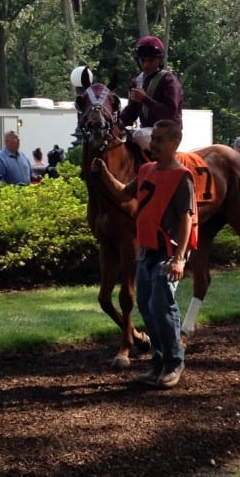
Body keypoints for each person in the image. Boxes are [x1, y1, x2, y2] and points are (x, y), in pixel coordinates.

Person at [90, 119, 195, 389]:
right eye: (154, 139)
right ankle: (158, 363)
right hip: (146, 252)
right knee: (148, 308)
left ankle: (174, 363)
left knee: (163, 307)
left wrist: (180, 258)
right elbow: (124, 193)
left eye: (160, 140)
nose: (154, 144)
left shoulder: (182, 178)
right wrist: (104, 173)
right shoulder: (147, 169)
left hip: (168, 253)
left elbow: (185, 220)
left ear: (176, 144)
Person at [119, 36, 183, 151]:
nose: (146, 65)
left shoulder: (169, 80)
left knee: (139, 136)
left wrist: (145, 99)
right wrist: (115, 124)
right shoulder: (137, 81)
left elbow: (169, 114)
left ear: (160, 60)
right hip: (147, 132)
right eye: (142, 60)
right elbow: (131, 113)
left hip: (169, 133)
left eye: (151, 60)